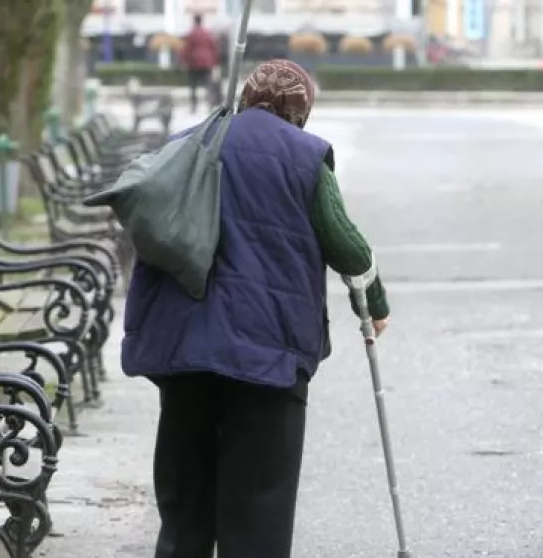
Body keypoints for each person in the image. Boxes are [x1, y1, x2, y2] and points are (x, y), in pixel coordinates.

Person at [120, 59, 391, 558]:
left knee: (185, 501)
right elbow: (347, 246)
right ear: (301, 109)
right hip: (268, 357)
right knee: (260, 502)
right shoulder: (306, 156)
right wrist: (373, 302)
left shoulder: (188, 142)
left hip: (184, 351)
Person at [180, 13, 219, 113]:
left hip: (194, 63)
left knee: (193, 86)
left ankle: (194, 106)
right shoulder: (207, 33)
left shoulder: (191, 34)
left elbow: (187, 49)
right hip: (207, 62)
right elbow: (213, 48)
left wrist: (184, 61)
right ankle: (209, 104)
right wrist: (215, 62)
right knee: (208, 84)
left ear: (194, 21)